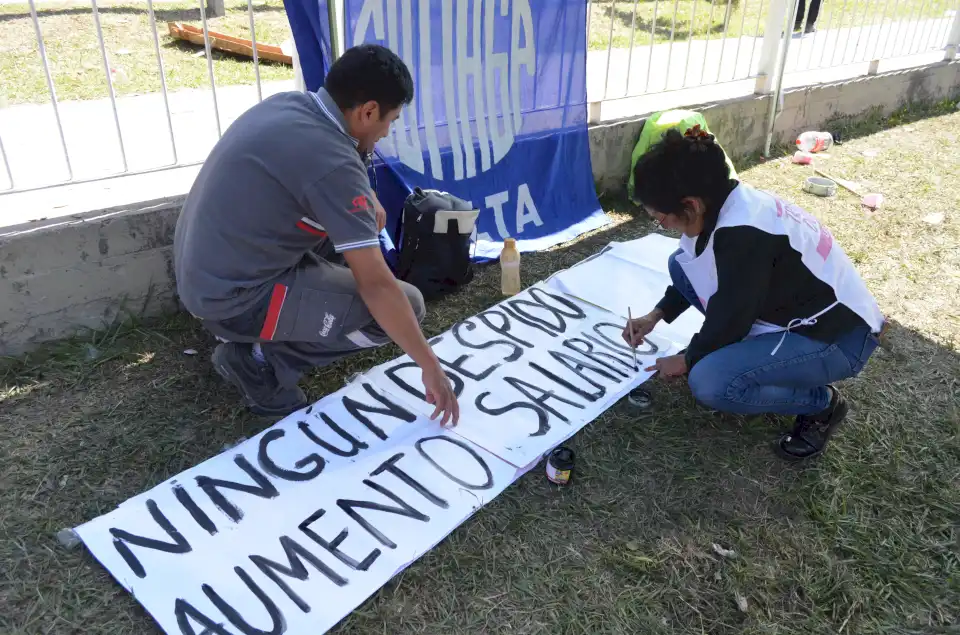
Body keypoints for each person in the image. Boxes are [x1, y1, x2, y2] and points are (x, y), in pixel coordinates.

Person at [173, 44, 459, 425]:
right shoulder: (333, 163)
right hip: (232, 299)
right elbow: (377, 287)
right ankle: (259, 361)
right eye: (390, 120)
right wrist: (431, 366)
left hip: (205, 274)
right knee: (407, 304)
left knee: (355, 231)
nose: (387, 131)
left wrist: (364, 194)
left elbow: (327, 175)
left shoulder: (291, 105)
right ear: (368, 111)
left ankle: (263, 328)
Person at [622, 126, 885, 461]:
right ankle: (756, 361)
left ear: (690, 204)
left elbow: (731, 318)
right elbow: (703, 273)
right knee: (680, 264)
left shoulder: (743, 237)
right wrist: (656, 315)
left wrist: (688, 360)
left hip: (836, 340)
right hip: (787, 311)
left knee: (710, 381)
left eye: (661, 219)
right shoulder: (725, 203)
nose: (665, 226)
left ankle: (822, 404)